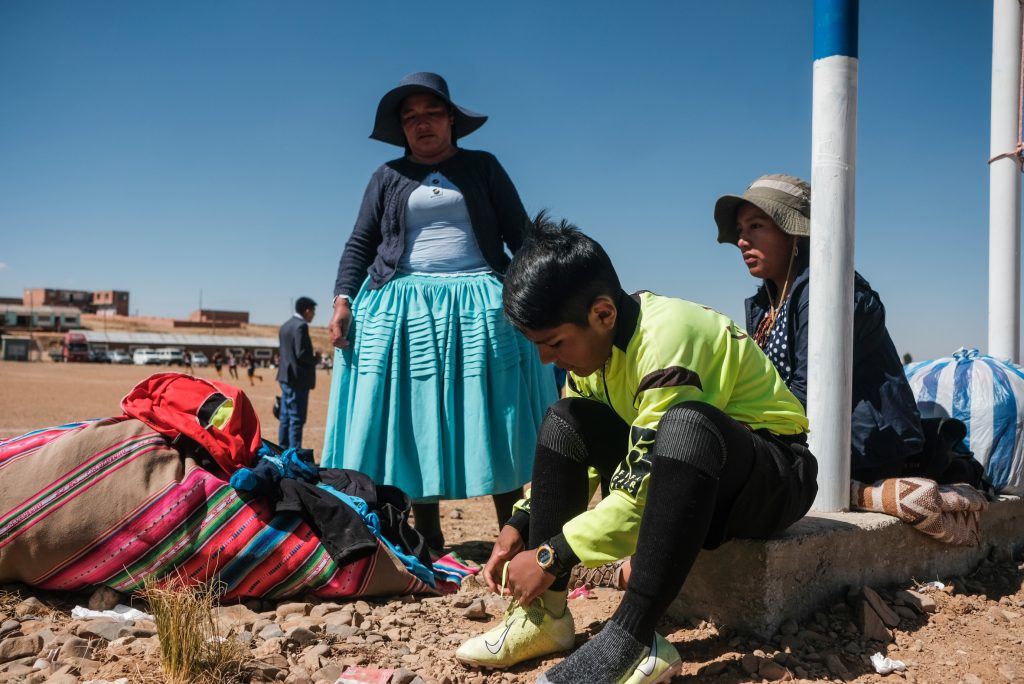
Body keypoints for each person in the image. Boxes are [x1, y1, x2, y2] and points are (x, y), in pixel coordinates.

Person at [456, 216, 818, 682]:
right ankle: (544, 619)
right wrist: (522, 523)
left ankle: (634, 637)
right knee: (565, 420)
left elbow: (643, 493)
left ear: (603, 314)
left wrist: (550, 556)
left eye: (553, 343)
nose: (548, 358)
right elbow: (593, 461)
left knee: (686, 425)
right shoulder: (593, 352)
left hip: (771, 477)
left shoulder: (669, 339)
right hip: (684, 472)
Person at [323, 72, 557, 554]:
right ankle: (427, 534)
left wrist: (546, 293)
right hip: (405, 303)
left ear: (451, 119)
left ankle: (514, 530)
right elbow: (361, 242)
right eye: (410, 118)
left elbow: (520, 234)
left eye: (431, 113)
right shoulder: (387, 177)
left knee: (498, 411)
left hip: (480, 302)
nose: (421, 124)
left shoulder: (484, 167)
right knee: (417, 413)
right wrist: (343, 299)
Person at [714, 174, 927, 483]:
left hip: (866, 448)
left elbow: (807, 392)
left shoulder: (826, 290)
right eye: (740, 231)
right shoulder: (766, 303)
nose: (743, 241)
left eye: (756, 226)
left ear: (794, 234)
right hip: (805, 441)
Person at [277, 297, 317, 450]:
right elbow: (301, 354)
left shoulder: (285, 326)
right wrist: (315, 359)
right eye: (313, 311)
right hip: (297, 378)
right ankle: (295, 454)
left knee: (285, 417)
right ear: (307, 310)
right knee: (296, 418)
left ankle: (282, 449)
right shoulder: (301, 326)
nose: (313, 315)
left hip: (285, 376)